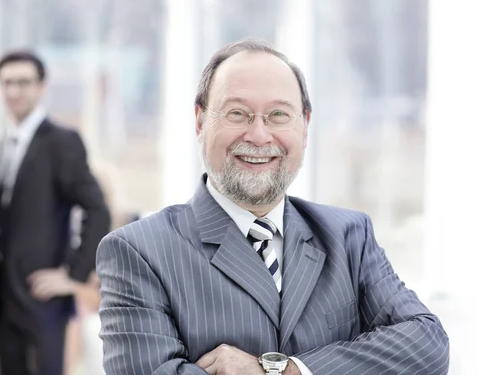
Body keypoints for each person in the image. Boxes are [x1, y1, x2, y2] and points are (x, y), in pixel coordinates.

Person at [96, 39, 450, 375]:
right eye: (238, 113)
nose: (259, 136)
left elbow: (426, 346)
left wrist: (285, 369)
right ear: (201, 121)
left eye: (279, 115)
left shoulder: (349, 236)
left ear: (305, 127)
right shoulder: (137, 251)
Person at [0, 50, 111, 375]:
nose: (14, 91)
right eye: (7, 83)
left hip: (42, 296)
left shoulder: (61, 141)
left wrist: (73, 275)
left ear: (42, 86)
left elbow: (97, 208)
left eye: (23, 82)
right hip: (2, 294)